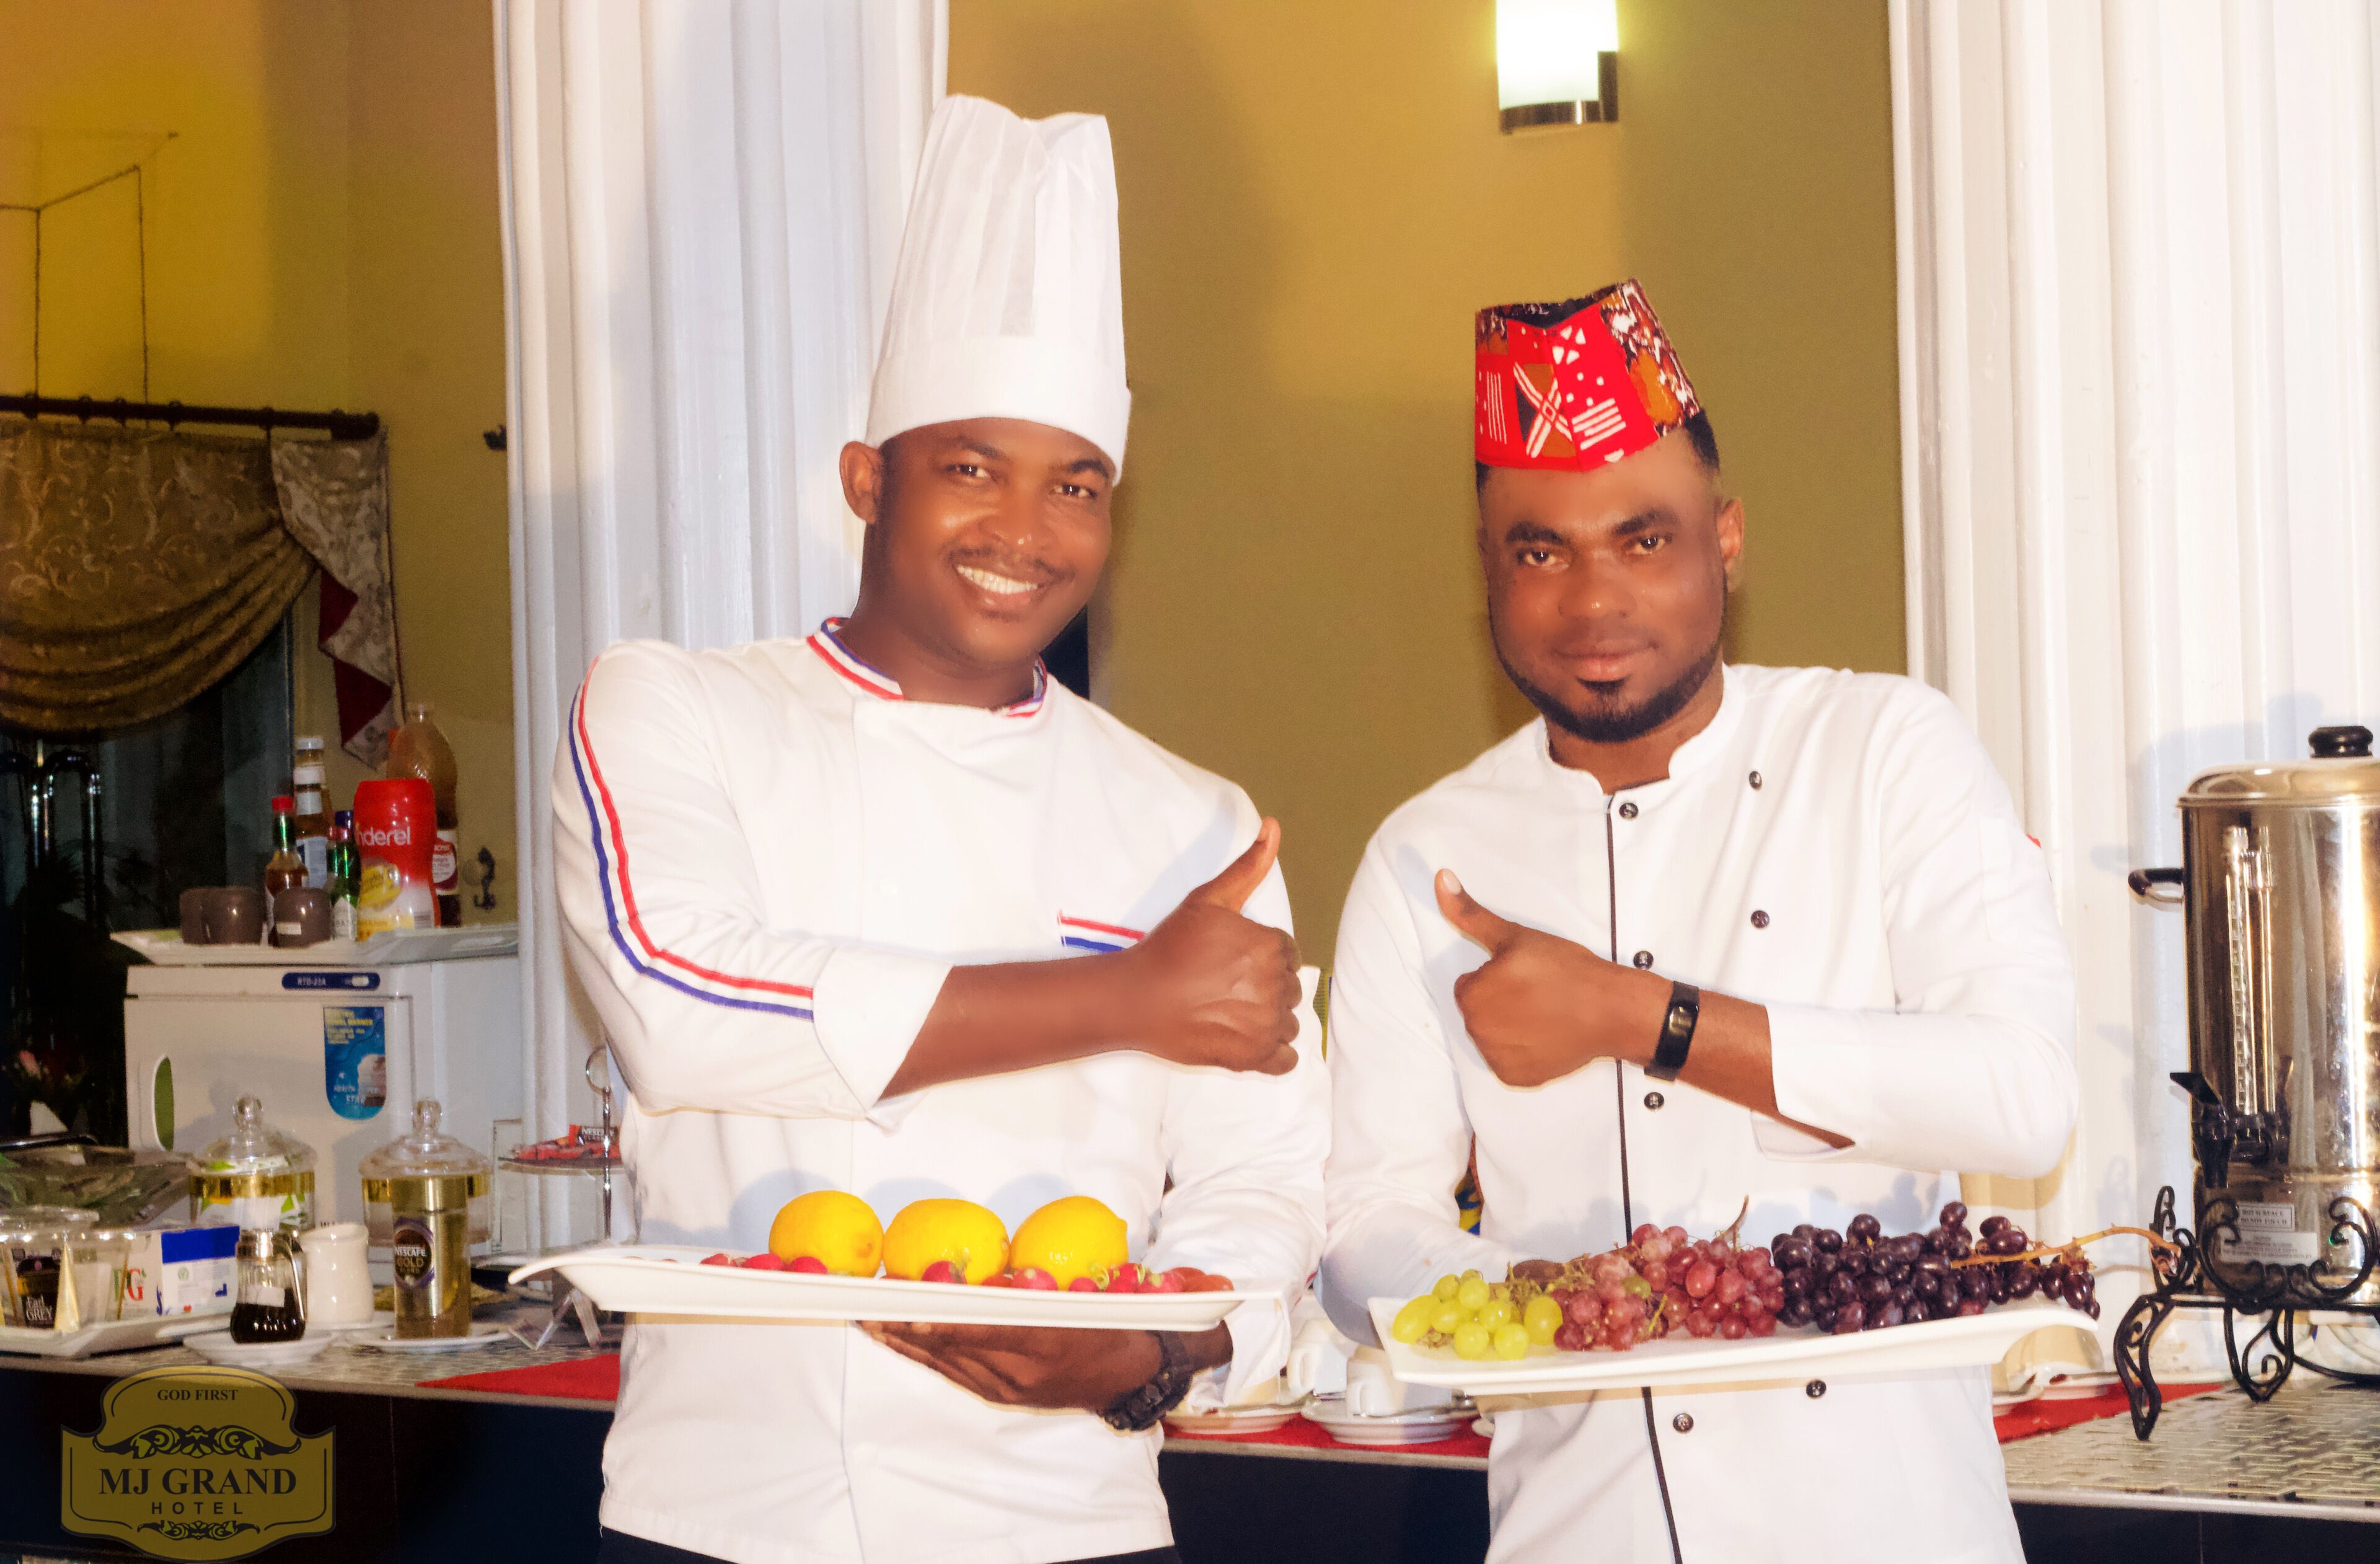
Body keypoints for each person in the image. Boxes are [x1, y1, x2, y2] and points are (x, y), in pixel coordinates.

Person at [555, 96, 1328, 1564]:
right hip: (718, 1521)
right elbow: (681, 1001)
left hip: (1069, 1525)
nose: (1024, 528)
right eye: (972, 465)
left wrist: (1158, 1352)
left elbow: (1266, 1178)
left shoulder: (1192, 817)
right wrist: (1126, 994)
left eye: (1076, 485)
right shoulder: (672, 710)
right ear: (868, 477)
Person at [1320, 280, 2078, 1563]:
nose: (1592, 601)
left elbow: (2025, 1094)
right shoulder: (1424, 854)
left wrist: (1642, 1017)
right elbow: (1357, 1233)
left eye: (1644, 538)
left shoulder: (1884, 747)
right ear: (1489, 571)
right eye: (1539, 549)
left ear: (1725, 539)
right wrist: (1534, 1303)